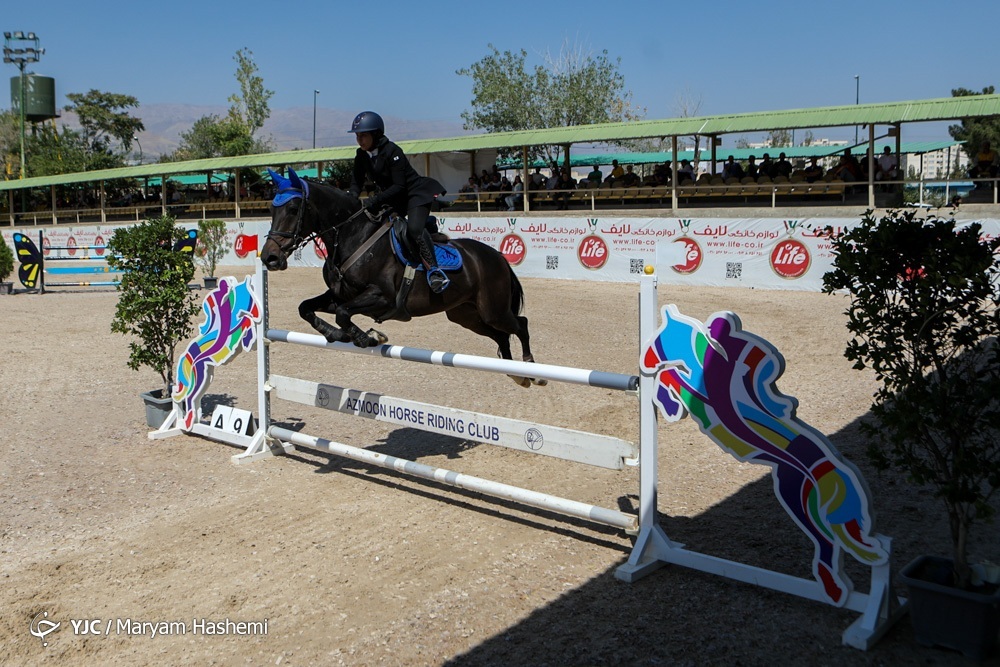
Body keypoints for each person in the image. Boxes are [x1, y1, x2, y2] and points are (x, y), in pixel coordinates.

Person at [347, 110, 449, 293]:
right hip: (393, 197)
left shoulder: (393, 151)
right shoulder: (361, 155)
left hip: (414, 194)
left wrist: (374, 200)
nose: (359, 140)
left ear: (376, 134)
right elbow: (356, 183)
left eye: (363, 135)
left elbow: (400, 186)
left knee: (414, 230)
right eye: (357, 136)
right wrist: (350, 199)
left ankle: (435, 271)